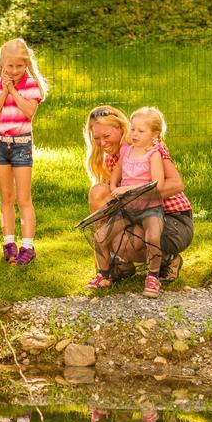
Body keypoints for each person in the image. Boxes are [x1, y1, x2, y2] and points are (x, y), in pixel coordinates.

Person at [83, 105, 193, 284]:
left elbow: (177, 184)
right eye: (97, 138)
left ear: (120, 129)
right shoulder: (112, 158)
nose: (102, 143)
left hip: (171, 217)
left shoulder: (148, 148)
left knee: (137, 238)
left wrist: (135, 195)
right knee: (100, 193)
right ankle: (117, 262)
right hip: (138, 215)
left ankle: (168, 259)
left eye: (107, 136)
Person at [87, 107, 166, 298]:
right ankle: (104, 274)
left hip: (150, 210)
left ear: (154, 134)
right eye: (134, 130)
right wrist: (114, 187)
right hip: (127, 209)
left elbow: (158, 184)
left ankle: (153, 277)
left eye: (140, 131)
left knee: (153, 237)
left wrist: (125, 190)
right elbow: (117, 172)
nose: (135, 134)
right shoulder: (127, 152)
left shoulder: (153, 154)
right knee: (100, 236)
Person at [0, 38, 47, 266]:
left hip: (21, 144)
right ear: (2, 64)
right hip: (1, 144)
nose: (14, 70)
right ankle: (9, 242)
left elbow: (30, 111)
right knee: (6, 197)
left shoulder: (30, 83)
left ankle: (28, 246)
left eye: (19, 66)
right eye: (10, 66)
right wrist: (4, 91)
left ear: (26, 64)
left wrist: (13, 90)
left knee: (23, 198)